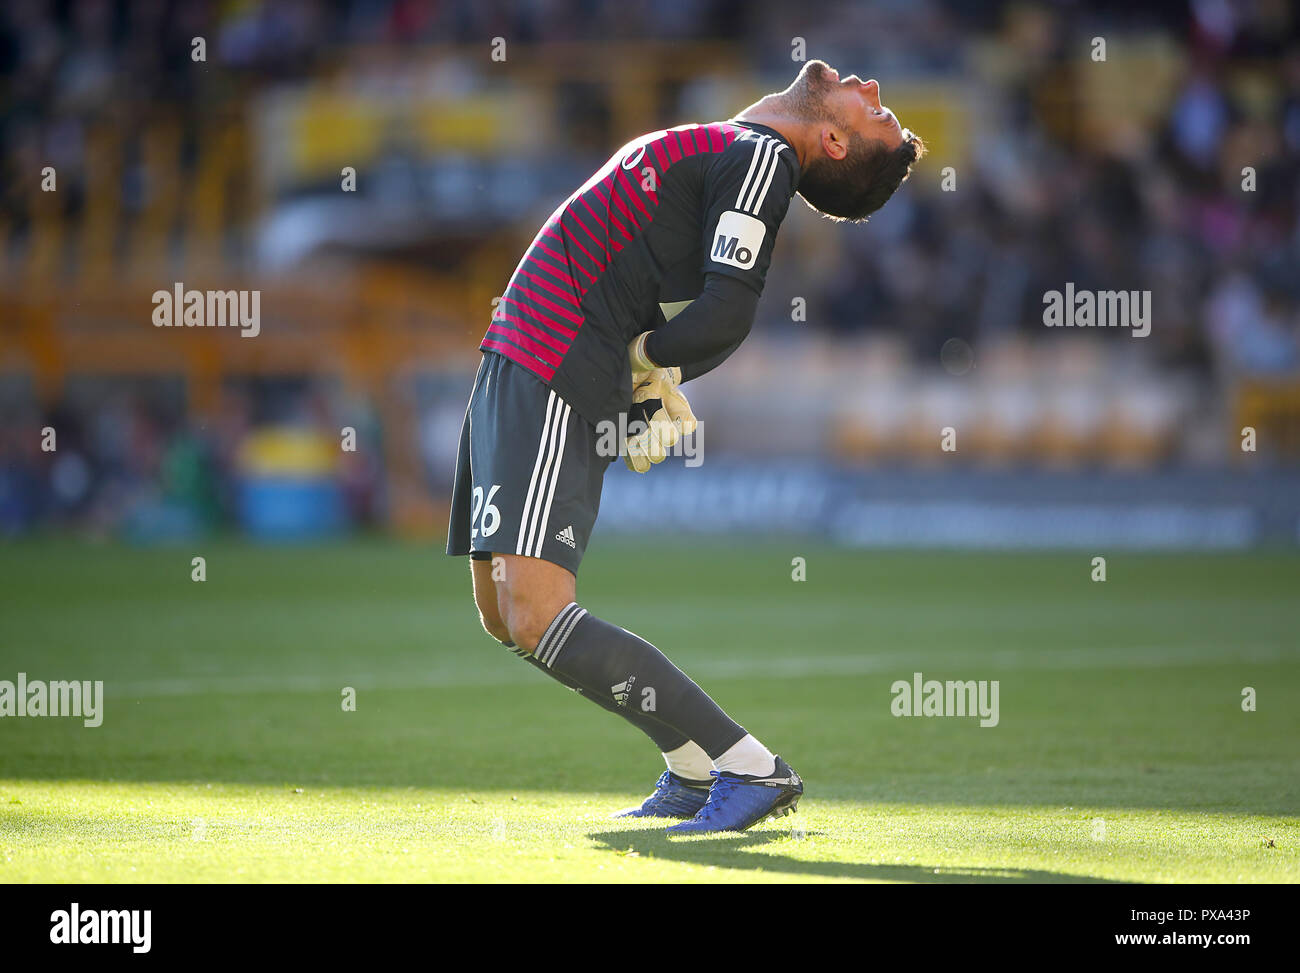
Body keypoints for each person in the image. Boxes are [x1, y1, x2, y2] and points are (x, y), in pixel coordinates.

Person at [448, 60, 925, 833]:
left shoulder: (765, 159)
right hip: (515, 354)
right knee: (502, 616)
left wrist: (642, 363)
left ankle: (748, 764)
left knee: (535, 613)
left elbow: (725, 314)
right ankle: (694, 766)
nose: (872, 86)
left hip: (556, 358)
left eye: (877, 112)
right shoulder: (741, 142)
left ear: (832, 141)